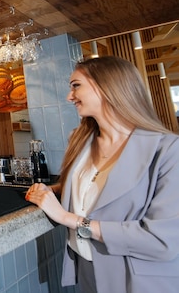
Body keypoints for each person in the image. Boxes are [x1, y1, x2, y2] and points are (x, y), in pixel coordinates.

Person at [25, 56, 179, 292]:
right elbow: (93, 190)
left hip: (137, 278)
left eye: (76, 85)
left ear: (107, 85)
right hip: (88, 267)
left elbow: (160, 240)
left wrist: (68, 219)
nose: (69, 97)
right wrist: (53, 191)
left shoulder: (167, 150)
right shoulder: (80, 141)